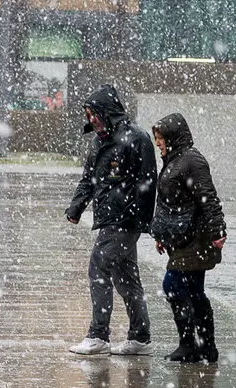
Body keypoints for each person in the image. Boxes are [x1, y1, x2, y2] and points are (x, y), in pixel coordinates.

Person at [66, 84, 157, 356]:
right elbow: (89, 179)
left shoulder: (137, 139)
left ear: (107, 111)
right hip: (108, 219)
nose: (90, 119)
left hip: (124, 222)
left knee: (98, 269)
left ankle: (98, 335)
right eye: (88, 114)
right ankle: (140, 338)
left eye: (94, 113)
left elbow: (148, 182)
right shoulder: (99, 141)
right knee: (126, 278)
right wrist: (76, 208)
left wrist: (144, 222)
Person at [150, 113, 227, 363]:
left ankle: (189, 345)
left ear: (173, 137)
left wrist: (218, 231)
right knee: (194, 291)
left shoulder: (192, 161)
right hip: (181, 237)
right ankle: (205, 347)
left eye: (161, 138)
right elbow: (167, 203)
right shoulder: (173, 161)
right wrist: (161, 234)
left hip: (197, 238)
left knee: (172, 285)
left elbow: (208, 198)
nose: (158, 143)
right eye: (157, 139)